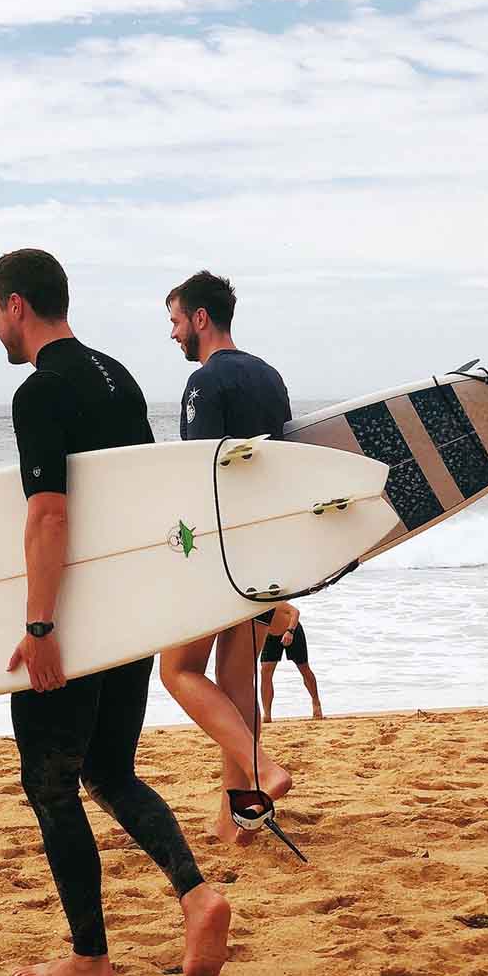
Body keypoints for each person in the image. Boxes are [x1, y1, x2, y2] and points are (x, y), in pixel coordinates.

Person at [0, 248, 231, 976]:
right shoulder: (116, 374)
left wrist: (39, 627)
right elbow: (143, 497)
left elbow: (50, 512)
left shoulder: (40, 392)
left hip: (77, 620)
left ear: (19, 305)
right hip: (129, 608)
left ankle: (90, 958)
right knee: (109, 769)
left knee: (50, 782)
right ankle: (196, 895)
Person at [156, 271, 295, 845]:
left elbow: (201, 474)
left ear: (200, 319)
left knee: (178, 671)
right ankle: (239, 818)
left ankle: (262, 772)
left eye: (175, 321)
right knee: (236, 689)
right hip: (262, 548)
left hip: (219, 551)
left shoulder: (204, 383)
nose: (173, 335)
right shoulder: (271, 378)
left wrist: (177, 551)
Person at [257, 604, 323, 722]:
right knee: (265, 672)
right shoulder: (249, 607)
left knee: (304, 668)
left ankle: (316, 702)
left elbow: (295, 612)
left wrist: (290, 631)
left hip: (292, 630)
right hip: (270, 636)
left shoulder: (272, 600)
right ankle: (267, 714)